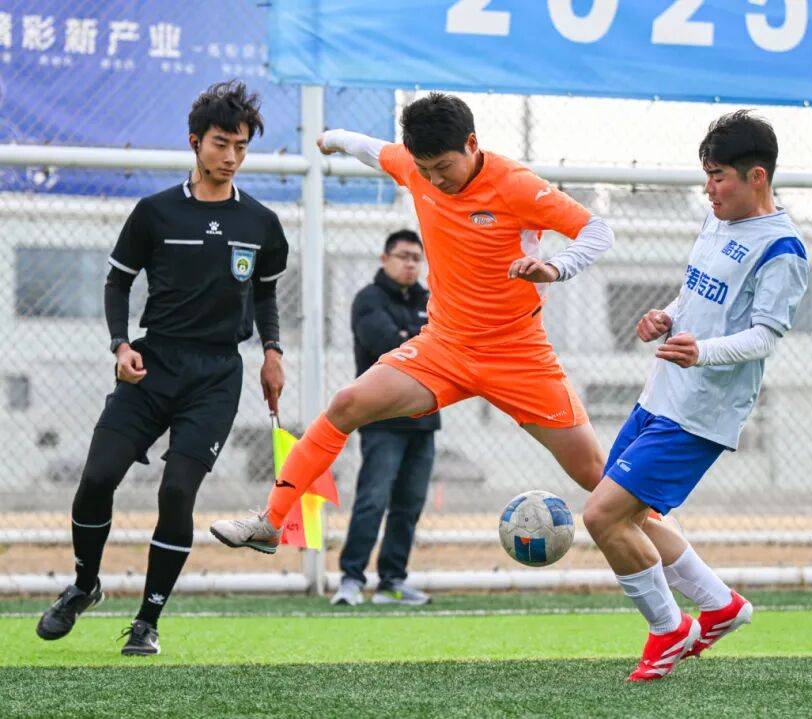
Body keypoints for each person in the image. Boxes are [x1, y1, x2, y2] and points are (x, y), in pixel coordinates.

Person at [209, 91, 618, 555]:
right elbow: (374, 151)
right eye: (424, 170)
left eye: (443, 167)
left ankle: (673, 554)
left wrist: (556, 266)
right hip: (444, 348)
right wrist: (333, 138)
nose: (434, 179)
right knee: (345, 404)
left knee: (596, 475)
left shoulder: (516, 185)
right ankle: (271, 522)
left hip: (517, 355)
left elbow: (597, 230)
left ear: (471, 144)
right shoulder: (414, 166)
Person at [36, 81, 289, 656]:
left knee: (177, 493)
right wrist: (120, 345)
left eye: (241, 147)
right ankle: (84, 586)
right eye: (221, 143)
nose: (231, 156)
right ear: (195, 142)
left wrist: (272, 352)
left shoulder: (262, 222)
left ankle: (147, 621)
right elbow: (117, 282)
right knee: (96, 479)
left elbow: (265, 294)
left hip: (216, 376)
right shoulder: (155, 212)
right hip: (152, 366)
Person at [581, 111, 809, 681]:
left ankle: (668, 629)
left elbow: (765, 336)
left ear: (757, 176)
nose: (709, 188)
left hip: (700, 413)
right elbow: (695, 295)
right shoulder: (716, 220)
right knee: (632, 515)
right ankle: (720, 606)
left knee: (603, 515)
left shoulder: (782, 248)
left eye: (718, 177)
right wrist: (665, 315)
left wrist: (701, 352)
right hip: (660, 395)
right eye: (706, 176)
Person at [331, 229, 438, 607]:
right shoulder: (369, 299)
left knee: (409, 505)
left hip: (424, 420)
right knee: (372, 500)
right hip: (381, 420)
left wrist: (413, 339)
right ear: (385, 259)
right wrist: (417, 341)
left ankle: (392, 581)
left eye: (416, 258)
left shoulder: (431, 300)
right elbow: (389, 347)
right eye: (403, 256)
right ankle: (351, 579)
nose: (410, 264)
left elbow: (447, 347)